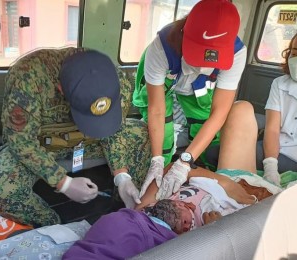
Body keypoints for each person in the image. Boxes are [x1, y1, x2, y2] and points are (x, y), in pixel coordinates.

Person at [62, 101, 283, 260]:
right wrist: (182, 170)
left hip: (239, 185)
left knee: (242, 108)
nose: (184, 202)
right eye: (184, 204)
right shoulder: (155, 210)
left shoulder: (248, 205)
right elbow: (165, 177)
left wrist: (216, 233)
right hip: (224, 179)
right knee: (242, 108)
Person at [0, 48, 151, 227]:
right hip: (41, 148)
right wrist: (63, 183)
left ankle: (125, 212)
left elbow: (114, 129)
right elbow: (21, 141)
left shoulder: (116, 80)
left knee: (142, 134)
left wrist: (122, 176)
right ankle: (53, 227)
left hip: (88, 142)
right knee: (0, 190)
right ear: (61, 89)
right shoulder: (28, 77)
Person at [132, 0, 247, 201]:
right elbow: (157, 109)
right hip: (166, 78)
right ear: (186, 35)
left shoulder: (237, 53)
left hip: (199, 88)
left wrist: (185, 161)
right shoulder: (162, 47)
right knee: (162, 142)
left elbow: (219, 112)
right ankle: (154, 185)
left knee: (209, 137)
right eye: (199, 56)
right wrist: (158, 159)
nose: (203, 66)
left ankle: (200, 178)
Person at [255, 32, 297, 185]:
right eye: (294, 53)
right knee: (215, 153)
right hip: (279, 150)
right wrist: (270, 167)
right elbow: (272, 129)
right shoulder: (279, 83)